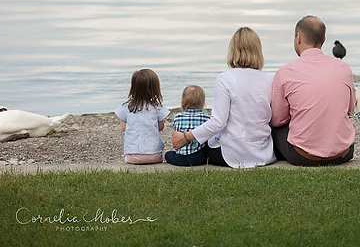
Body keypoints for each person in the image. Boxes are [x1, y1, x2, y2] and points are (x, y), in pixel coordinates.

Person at [171, 27, 276, 168]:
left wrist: (187, 137)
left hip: (232, 155)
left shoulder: (225, 79)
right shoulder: (269, 79)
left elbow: (218, 122)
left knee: (206, 145)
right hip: (263, 152)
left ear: (233, 50)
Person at [270, 15, 356, 166]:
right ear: (323, 39)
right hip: (343, 153)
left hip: (303, 156)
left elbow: (277, 120)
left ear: (298, 38)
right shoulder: (344, 69)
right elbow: (350, 110)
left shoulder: (285, 72)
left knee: (274, 129)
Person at [114, 68, 169, 164]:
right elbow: (161, 127)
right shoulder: (157, 107)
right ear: (155, 89)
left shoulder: (126, 107)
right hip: (155, 156)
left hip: (131, 156)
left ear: (133, 88)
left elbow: (123, 128)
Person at [164, 85, 211, 167]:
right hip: (198, 158)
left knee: (168, 154)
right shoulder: (206, 118)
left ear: (183, 101)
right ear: (202, 102)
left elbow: (175, 134)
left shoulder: (177, 117)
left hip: (180, 158)